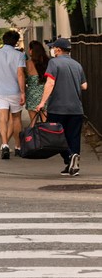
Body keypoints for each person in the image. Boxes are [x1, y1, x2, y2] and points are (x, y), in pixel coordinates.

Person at [36, 37, 87, 176]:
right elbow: (84, 86)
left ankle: (69, 157)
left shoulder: (54, 63)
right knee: (73, 136)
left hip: (58, 108)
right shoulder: (77, 65)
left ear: (58, 49)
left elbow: (50, 83)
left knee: (56, 137)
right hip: (76, 108)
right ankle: (73, 163)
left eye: (53, 48)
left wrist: (42, 103)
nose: (52, 50)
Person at [0, 30, 26, 159]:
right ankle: (18, 146)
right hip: (14, 91)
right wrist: (23, 92)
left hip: (0, 91)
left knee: (2, 118)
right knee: (16, 118)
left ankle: (4, 144)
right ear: (15, 42)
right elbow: (20, 74)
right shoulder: (19, 55)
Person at [22, 40, 49, 127]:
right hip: (45, 94)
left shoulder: (27, 64)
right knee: (45, 120)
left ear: (31, 50)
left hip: (32, 95)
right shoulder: (48, 62)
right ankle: (46, 138)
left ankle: (33, 139)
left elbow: (24, 79)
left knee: (33, 122)